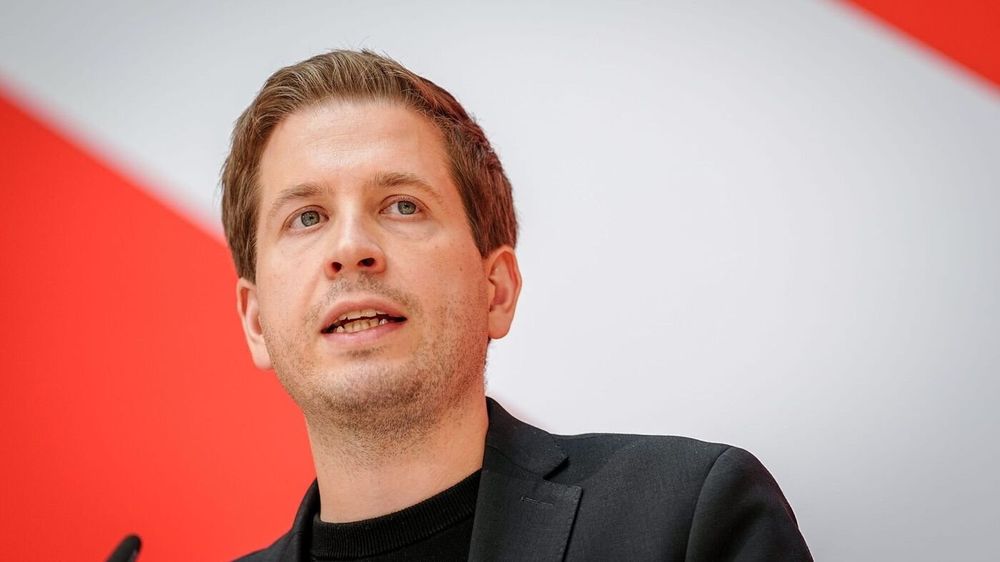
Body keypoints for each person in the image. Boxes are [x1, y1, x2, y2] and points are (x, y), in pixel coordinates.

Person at [221, 50, 812, 561]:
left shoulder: (689, 517)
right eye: (307, 218)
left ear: (496, 290)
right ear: (256, 321)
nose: (351, 248)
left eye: (403, 205)